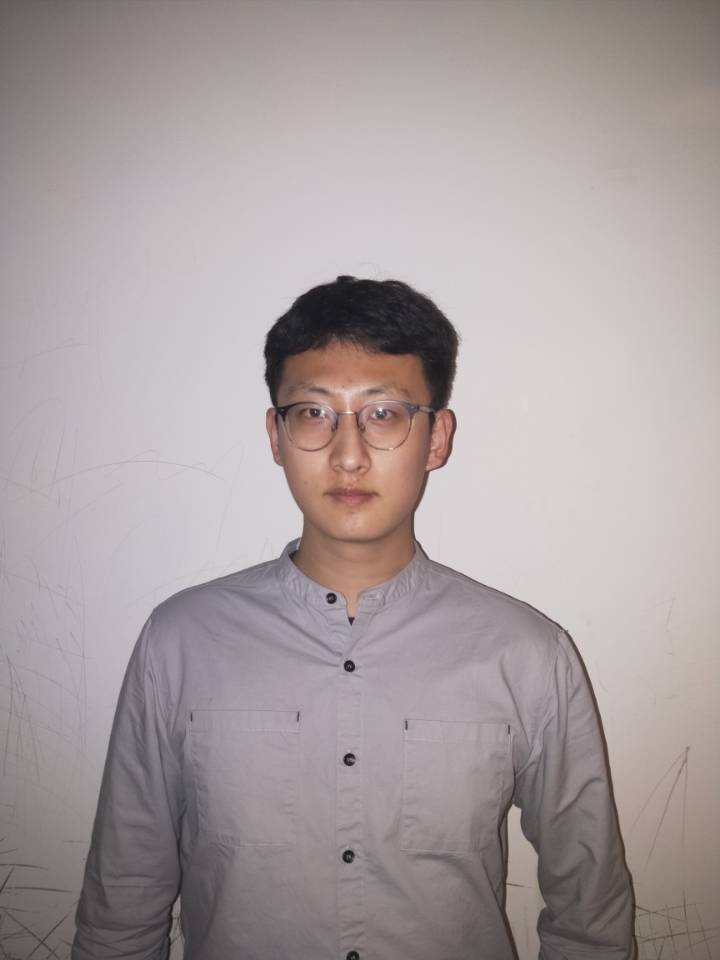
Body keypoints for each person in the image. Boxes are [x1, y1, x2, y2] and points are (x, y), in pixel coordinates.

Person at [72, 276, 634, 960]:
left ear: (436, 438)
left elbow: (590, 920)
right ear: (276, 435)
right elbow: (122, 910)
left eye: (384, 413)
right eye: (313, 413)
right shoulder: (180, 643)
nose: (348, 455)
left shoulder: (528, 654)